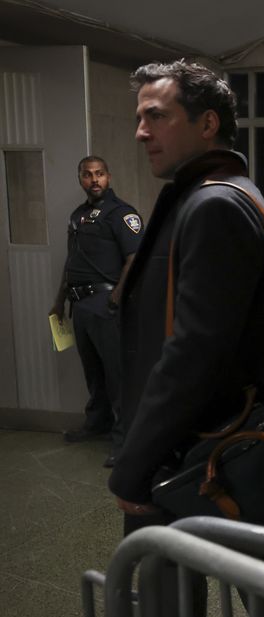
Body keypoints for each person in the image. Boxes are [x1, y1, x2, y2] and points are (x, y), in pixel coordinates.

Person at [107, 60, 264, 617]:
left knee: (259, 609)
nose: (141, 131)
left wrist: (134, 465)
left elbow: (193, 354)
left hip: (204, 455)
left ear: (208, 124)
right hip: (204, 448)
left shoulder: (213, 206)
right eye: (139, 118)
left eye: (156, 116)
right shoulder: (216, 196)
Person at [50, 156, 141, 467]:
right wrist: (59, 299)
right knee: (94, 372)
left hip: (106, 304)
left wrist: (115, 298)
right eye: (87, 175)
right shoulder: (78, 216)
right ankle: (97, 423)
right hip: (80, 305)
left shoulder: (121, 213)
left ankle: (125, 439)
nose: (94, 180)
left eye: (99, 174)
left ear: (108, 177)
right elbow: (71, 260)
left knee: (117, 376)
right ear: (80, 179)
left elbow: (134, 259)